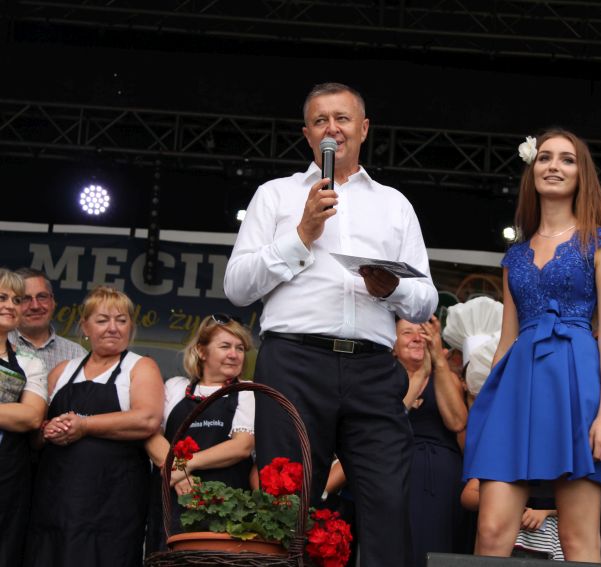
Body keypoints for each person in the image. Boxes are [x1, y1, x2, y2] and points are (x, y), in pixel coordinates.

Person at [223, 82, 438, 567]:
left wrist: (393, 289)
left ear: (363, 129)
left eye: (342, 118)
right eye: (320, 120)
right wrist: (301, 235)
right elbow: (236, 287)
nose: (332, 129)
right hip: (294, 363)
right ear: (307, 134)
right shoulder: (275, 195)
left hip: (373, 369)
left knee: (389, 504)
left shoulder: (394, 204)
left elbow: (425, 300)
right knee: (286, 505)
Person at [463, 129, 601, 562]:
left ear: (582, 175)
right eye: (545, 157)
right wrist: (486, 411)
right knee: (491, 532)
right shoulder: (515, 256)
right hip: (517, 389)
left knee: (577, 539)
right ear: (532, 170)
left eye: (567, 159)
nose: (554, 166)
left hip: (578, 386)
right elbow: (506, 340)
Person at [25, 286, 164, 567]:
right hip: (55, 499)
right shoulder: (62, 371)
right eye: (102, 320)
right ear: (85, 326)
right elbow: (34, 436)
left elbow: (147, 419)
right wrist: (47, 431)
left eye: (121, 320)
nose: (113, 328)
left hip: (112, 502)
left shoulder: (141, 367)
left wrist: (84, 425)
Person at [144, 313, 255, 553]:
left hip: (225, 508)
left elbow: (242, 446)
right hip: (173, 504)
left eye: (240, 348)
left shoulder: (246, 392)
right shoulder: (175, 387)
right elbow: (150, 434)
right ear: (201, 351)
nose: (234, 354)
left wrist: (185, 465)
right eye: (225, 346)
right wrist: (179, 473)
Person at [395, 317, 467, 567]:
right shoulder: (383, 378)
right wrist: (420, 375)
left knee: (438, 546)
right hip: (397, 471)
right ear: (393, 344)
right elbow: (389, 422)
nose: (417, 338)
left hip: (441, 477)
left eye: (423, 333)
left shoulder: (446, 376)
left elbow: (457, 422)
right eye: (407, 333)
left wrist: (437, 361)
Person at [0, 268, 47, 567]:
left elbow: (31, 417)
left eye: (16, 300)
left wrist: (20, 414)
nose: (10, 305)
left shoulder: (30, 362)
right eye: (1, 297)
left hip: (8, 478)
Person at [10, 268, 86, 373]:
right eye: (25, 299)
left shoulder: (77, 355)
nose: (35, 306)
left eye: (42, 297)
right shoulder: (2, 345)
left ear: (52, 301)